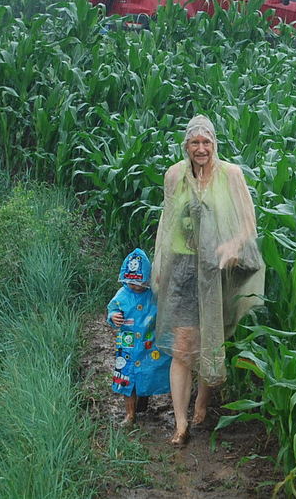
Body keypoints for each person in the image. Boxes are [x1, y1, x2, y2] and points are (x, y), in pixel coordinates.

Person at [153, 114, 265, 446]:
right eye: (194, 143)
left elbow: (248, 222)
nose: (201, 149)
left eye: (206, 142)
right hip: (184, 268)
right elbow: (167, 221)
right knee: (183, 343)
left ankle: (202, 402)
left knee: (209, 338)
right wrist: (160, 262)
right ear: (185, 145)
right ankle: (181, 421)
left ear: (214, 144)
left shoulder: (231, 174)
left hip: (218, 266)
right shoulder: (174, 175)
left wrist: (233, 244)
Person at [106, 248, 172, 426]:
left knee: (148, 373)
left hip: (149, 345)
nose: (135, 286)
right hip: (128, 347)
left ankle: (143, 401)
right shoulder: (122, 294)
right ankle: (130, 414)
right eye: (131, 282)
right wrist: (114, 316)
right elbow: (112, 310)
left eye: (140, 282)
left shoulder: (152, 294)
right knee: (127, 380)